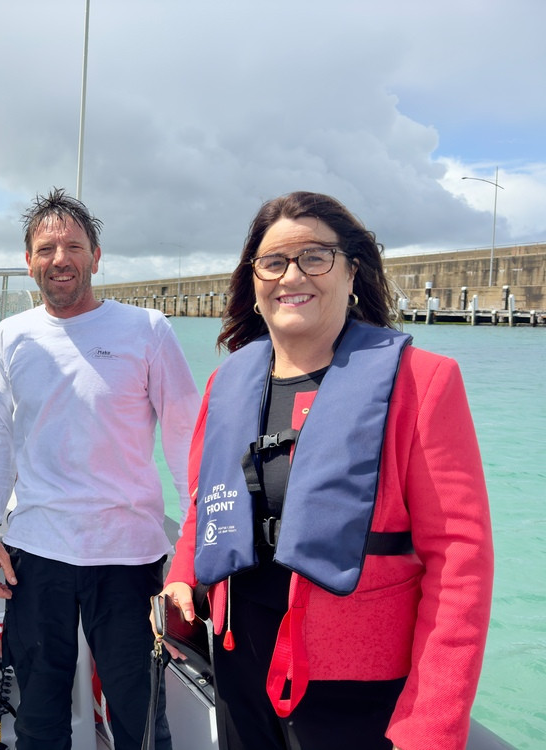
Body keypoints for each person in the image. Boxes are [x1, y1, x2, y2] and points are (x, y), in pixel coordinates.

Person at [159, 191, 494, 750]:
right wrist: (182, 571)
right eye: (274, 261)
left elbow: (462, 563)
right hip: (240, 662)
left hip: (359, 685)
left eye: (316, 256)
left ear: (351, 271)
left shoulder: (422, 382)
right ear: (254, 280)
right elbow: (206, 498)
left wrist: (432, 727)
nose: (294, 274)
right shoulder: (228, 384)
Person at [0, 187, 200, 750]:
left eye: (73, 246)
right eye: (46, 248)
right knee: (39, 719)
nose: (60, 259)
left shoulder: (147, 331)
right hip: (36, 553)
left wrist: (194, 549)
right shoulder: (11, 336)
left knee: (140, 718)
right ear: (29, 261)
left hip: (128, 555)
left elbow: (185, 439)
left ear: (97, 256)